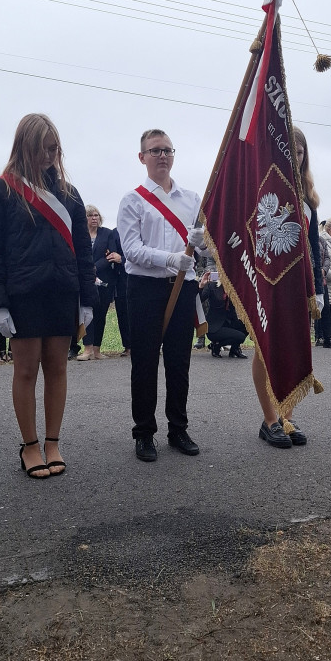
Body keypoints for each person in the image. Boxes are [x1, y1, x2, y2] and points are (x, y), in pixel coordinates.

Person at [0, 113, 96, 478]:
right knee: (26, 370)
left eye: (54, 148)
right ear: (25, 145)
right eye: (44, 147)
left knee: (58, 369)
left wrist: (87, 298)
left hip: (62, 292)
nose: (50, 155)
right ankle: (30, 446)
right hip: (22, 296)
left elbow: (82, 250)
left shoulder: (69, 194)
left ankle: (53, 442)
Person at [117, 128, 204, 462]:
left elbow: (206, 249)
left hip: (183, 287)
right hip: (145, 289)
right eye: (155, 151)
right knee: (144, 362)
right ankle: (143, 433)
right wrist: (172, 259)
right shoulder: (133, 200)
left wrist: (201, 243)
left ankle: (178, 428)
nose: (162, 155)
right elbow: (132, 251)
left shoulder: (192, 199)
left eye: (167, 149)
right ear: (142, 158)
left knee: (179, 362)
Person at [252, 126, 324, 448]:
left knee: (294, 348)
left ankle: (287, 416)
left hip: (298, 286)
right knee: (265, 351)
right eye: (288, 150)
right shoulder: (261, 187)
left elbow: (313, 249)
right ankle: (269, 420)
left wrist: (317, 289)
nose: (294, 157)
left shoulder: (308, 198)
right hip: (267, 282)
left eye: (299, 152)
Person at [77, 205, 120, 360]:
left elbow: (110, 255)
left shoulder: (107, 234)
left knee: (100, 315)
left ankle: (97, 350)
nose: (94, 218)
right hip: (84, 281)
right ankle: (87, 349)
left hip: (104, 281)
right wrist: (87, 271)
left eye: (96, 215)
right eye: (90, 215)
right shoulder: (79, 235)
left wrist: (94, 268)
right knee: (87, 313)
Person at [199, 271, 248, 358]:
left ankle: (234, 349)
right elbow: (199, 300)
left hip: (229, 323)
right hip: (214, 327)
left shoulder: (234, 288)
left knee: (248, 326)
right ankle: (216, 346)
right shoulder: (212, 286)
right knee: (241, 337)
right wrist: (202, 286)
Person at [314, 228, 331, 349]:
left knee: (325, 309)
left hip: (321, 280)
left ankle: (327, 339)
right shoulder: (301, 240)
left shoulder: (321, 240)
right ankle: (317, 337)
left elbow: (327, 258)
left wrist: (323, 269)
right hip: (307, 280)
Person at [111, 227, 130, 356]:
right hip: (121, 280)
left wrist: (122, 259)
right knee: (123, 314)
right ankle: (128, 346)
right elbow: (111, 253)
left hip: (142, 279)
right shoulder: (115, 232)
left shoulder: (145, 228)